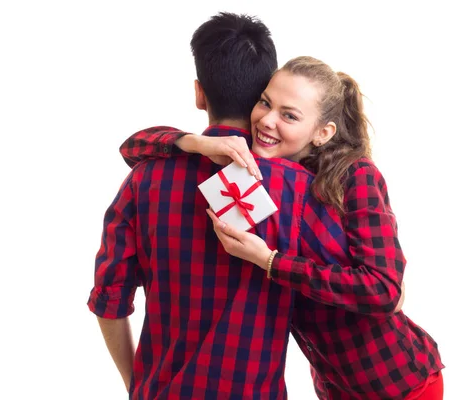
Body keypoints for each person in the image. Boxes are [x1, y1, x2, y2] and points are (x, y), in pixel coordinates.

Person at [118, 56, 444, 398]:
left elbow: (384, 290)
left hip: (399, 383)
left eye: (288, 115)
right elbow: (132, 147)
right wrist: (198, 143)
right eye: (264, 103)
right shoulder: (261, 174)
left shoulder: (356, 175)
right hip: (335, 385)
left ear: (322, 132)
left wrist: (270, 261)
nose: (267, 121)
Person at [88, 14, 351, 399]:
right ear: (265, 91)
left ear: (199, 93)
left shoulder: (144, 181)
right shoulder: (298, 189)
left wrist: (137, 386)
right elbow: (348, 285)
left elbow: (108, 299)